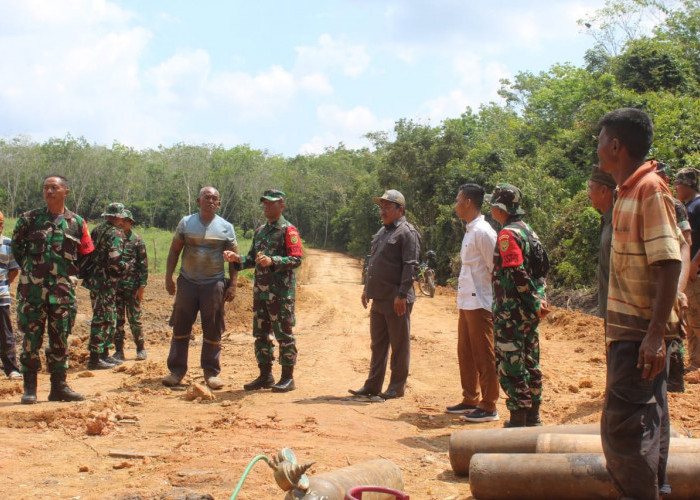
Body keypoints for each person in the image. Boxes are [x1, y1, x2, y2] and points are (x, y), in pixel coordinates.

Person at [597, 108, 683, 499]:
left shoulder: (650, 189)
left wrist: (652, 337)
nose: (597, 149)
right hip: (634, 334)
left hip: (638, 337)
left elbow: (669, 262)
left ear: (616, 146)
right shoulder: (627, 190)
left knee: (625, 432)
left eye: (600, 141)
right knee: (648, 423)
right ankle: (656, 490)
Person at [12, 175, 94, 404]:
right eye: (45, 187)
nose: (49, 191)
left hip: (62, 295)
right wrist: (33, 273)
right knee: (30, 340)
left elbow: (86, 255)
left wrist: (70, 277)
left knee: (60, 341)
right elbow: (18, 250)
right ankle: (30, 389)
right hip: (33, 294)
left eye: (54, 187)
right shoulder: (29, 220)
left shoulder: (77, 223)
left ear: (65, 192)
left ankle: (59, 387)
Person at [223, 189, 303, 393]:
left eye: (271, 203)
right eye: (264, 203)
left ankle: (287, 378)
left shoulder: (288, 230)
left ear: (282, 205)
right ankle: (265, 375)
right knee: (260, 335)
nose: (266, 206)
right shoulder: (260, 231)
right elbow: (251, 258)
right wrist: (236, 259)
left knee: (284, 335)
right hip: (261, 292)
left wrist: (274, 260)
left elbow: (296, 259)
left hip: (281, 294)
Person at [162, 186, 238, 390]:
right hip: (187, 282)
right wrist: (169, 277)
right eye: (207, 197)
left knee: (212, 327)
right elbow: (174, 250)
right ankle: (176, 371)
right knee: (181, 325)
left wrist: (233, 284)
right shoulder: (186, 223)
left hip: (214, 284)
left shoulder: (226, 227)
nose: (210, 201)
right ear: (198, 200)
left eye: (215, 198)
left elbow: (233, 259)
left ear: (219, 203)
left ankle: (211, 373)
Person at [348, 189, 421, 400]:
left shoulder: (407, 232)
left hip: (396, 298)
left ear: (400, 209)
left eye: (387, 207)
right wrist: (366, 290)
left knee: (399, 345)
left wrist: (402, 294)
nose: (383, 211)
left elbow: (411, 265)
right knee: (377, 344)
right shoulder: (382, 232)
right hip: (379, 297)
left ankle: (396, 387)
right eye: (381, 207)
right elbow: (374, 263)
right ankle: (372, 385)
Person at [489, 183, 549, 427]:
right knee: (530, 361)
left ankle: (518, 418)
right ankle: (533, 415)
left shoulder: (507, 235)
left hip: (511, 312)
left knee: (510, 361)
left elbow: (517, 272)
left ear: (500, 208)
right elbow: (541, 270)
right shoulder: (529, 231)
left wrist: (533, 300)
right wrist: (540, 298)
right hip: (528, 312)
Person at [446, 184, 499, 423]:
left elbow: (494, 269)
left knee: (483, 353)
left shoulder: (484, 232)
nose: (455, 204)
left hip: (480, 302)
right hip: (466, 301)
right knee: (465, 351)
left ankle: (489, 405)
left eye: (458, 200)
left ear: (468, 202)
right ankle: (470, 398)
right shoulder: (470, 230)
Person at [82, 202, 130, 370]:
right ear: (118, 217)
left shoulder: (97, 229)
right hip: (106, 281)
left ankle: (103, 355)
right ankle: (95, 359)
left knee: (105, 316)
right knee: (102, 318)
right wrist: (126, 267)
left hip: (95, 278)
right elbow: (115, 261)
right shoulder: (115, 233)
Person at [673, 167, 700, 373]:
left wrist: (694, 264)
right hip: (690, 270)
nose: (676, 188)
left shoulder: (697, 206)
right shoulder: (688, 205)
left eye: (678, 184)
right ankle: (694, 361)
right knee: (690, 319)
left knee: (697, 318)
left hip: (695, 272)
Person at [113, 210, 148, 361]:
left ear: (131, 223)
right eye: (121, 221)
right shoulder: (114, 238)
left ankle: (140, 348)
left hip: (132, 288)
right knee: (117, 319)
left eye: (126, 221)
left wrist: (142, 287)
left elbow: (143, 266)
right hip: (116, 287)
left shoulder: (137, 240)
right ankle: (119, 350)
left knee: (135, 319)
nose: (122, 223)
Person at [587, 165, 616, 320]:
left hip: (621, 316)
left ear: (604, 191)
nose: (588, 194)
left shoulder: (618, 222)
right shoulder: (607, 221)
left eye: (591, 189)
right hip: (611, 313)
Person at [0, 210, 22, 380]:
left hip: (1, 296)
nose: (0, 227)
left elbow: (13, 270)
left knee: (6, 333)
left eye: (1, 224)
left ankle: (11, 368)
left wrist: (5, 286)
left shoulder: (8, 244)